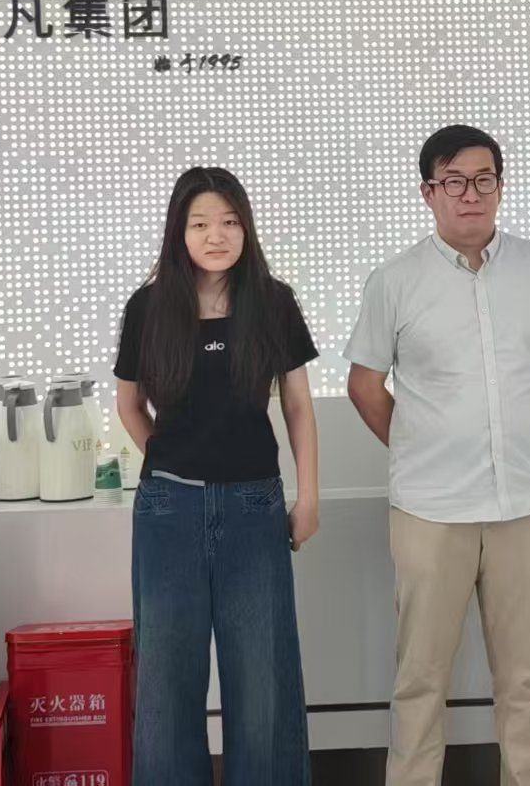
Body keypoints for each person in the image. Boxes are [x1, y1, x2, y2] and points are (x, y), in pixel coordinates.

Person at [346, 125, 530, 786]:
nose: (470, 193)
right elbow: (364, 385)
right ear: (428, 192)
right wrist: (419, 444)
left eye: (484, 179)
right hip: (430, 511)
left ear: (500, 186)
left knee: (527, 679)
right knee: (420, 680)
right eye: (454, 181)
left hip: (524, 505)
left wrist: (515, 432)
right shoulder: (395, 280)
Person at [114, 166, 319, 786]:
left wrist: (309, 495)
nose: (216, 235)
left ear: (245, 229)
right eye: (200, 223)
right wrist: (171, 459)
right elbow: (129, 405)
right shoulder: (148, 307)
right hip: (167, 512)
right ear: (179, 232)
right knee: (166, 680)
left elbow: (298, 406)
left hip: (255, 507)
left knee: (261, 678)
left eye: (230, 222)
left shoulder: (273, 301)